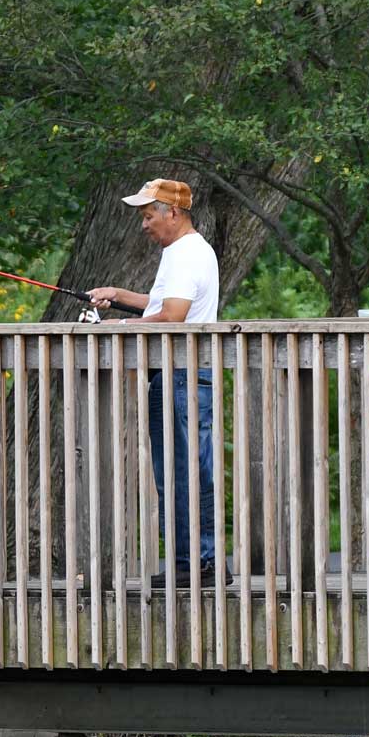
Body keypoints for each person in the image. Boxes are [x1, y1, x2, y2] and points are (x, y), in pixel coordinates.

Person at [86, 178, 221, 586]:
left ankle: (190, 563)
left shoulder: (183, 254)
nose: (143, 225)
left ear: (173, 213)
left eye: (148, 216)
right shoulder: (191, 251)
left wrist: (118, 325)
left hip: (179, 373)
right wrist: (119, 294)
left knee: (179, 471)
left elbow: (172, 318)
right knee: (196, 467)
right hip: (192, 371)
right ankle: (206, 559)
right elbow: (162, 304)